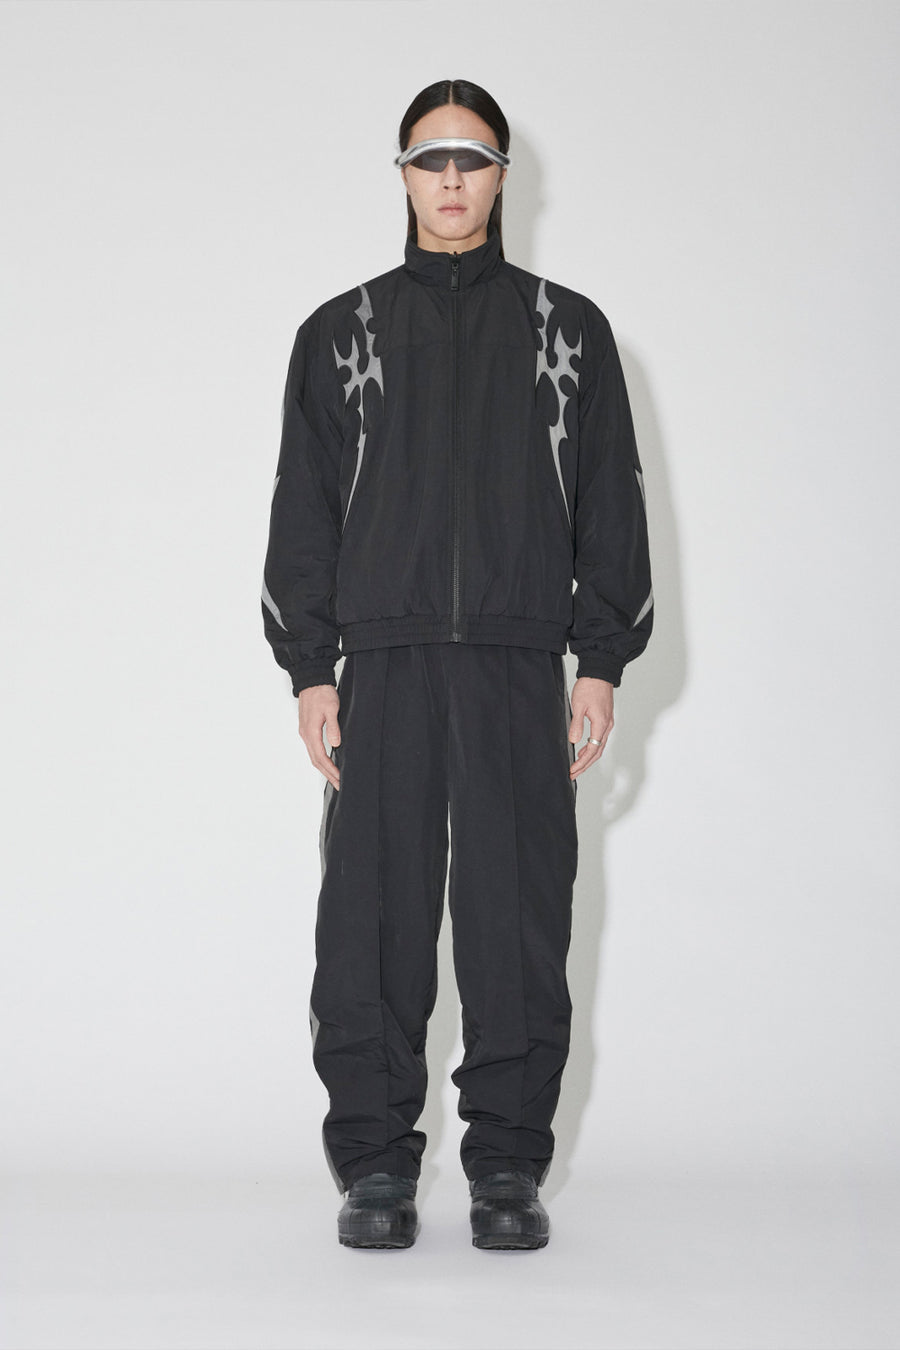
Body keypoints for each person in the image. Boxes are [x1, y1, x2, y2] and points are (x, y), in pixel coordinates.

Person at [261, 78, 653, 1251]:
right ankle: (376, 1166)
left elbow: (610, 505)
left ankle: (508, 1168)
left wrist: (600, 659)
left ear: (500, 177)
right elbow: (301, 513)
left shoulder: (568, 332)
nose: (449, 177)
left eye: (470, 157)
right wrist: (311, 668)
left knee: (515, 920)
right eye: (429, 157)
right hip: (379, 667)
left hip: (517, 665)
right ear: (401, 175)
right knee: (369, 922)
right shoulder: (339, 334)